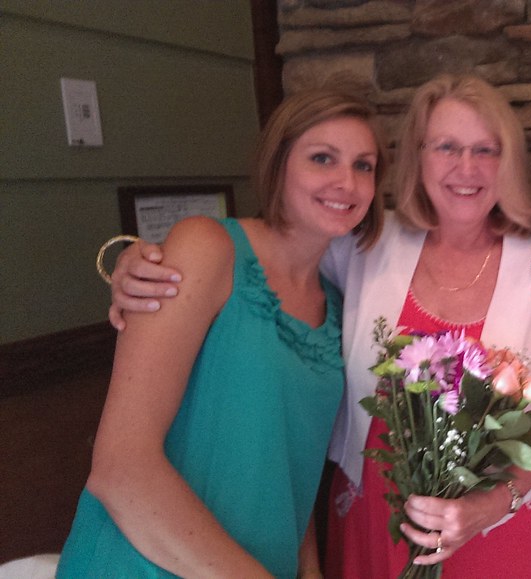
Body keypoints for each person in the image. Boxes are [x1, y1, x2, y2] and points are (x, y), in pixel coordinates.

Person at [105, 74, 531, 578]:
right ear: (418, 156)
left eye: (486, 150)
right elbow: (273, 256)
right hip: (373, 513)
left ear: (507, 161)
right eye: (446, 147)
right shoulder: (364, 243)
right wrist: (143, 264)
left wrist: (490, 505)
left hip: (495, 526)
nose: (467, 168)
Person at [57, 88, 386, 578]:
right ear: (278, 166)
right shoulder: (206, 247)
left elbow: (293, 478)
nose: (346, 181)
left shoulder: (338, 307)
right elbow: (120, 468)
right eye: (322, 158)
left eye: (364, 166)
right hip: (141, 562)